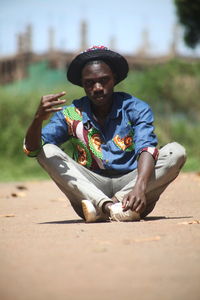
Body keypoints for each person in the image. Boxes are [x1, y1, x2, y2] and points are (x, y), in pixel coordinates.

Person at [24, 45, 186, 222]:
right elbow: (32, 149)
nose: (98, 87)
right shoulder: (71, 114)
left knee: (175, 152)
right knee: (45, 150)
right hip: (91, 192)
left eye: (104, 80)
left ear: (114, 79)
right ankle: (107, 206)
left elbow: (146, 147)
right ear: (83, 85)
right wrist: (38, 119)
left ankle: (115, 205)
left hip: (133, 193)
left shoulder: (136, 108)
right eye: (90, 83)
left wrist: (139, 187)